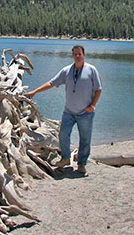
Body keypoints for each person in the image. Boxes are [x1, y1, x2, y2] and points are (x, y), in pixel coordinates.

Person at [25, 45, 102, 174]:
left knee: (85, 139)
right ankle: (65, 158)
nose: (77, 56)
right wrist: (35, 91)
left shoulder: (91, 70)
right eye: (75, 54)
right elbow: (51, 83)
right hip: (69, 112)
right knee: (63, 135)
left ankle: (82, 164)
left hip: (85, 113)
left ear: (84, 55)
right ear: (73, 56)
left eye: (80, 54)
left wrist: (93, 106)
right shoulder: (66, 71)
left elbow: (98, 89)